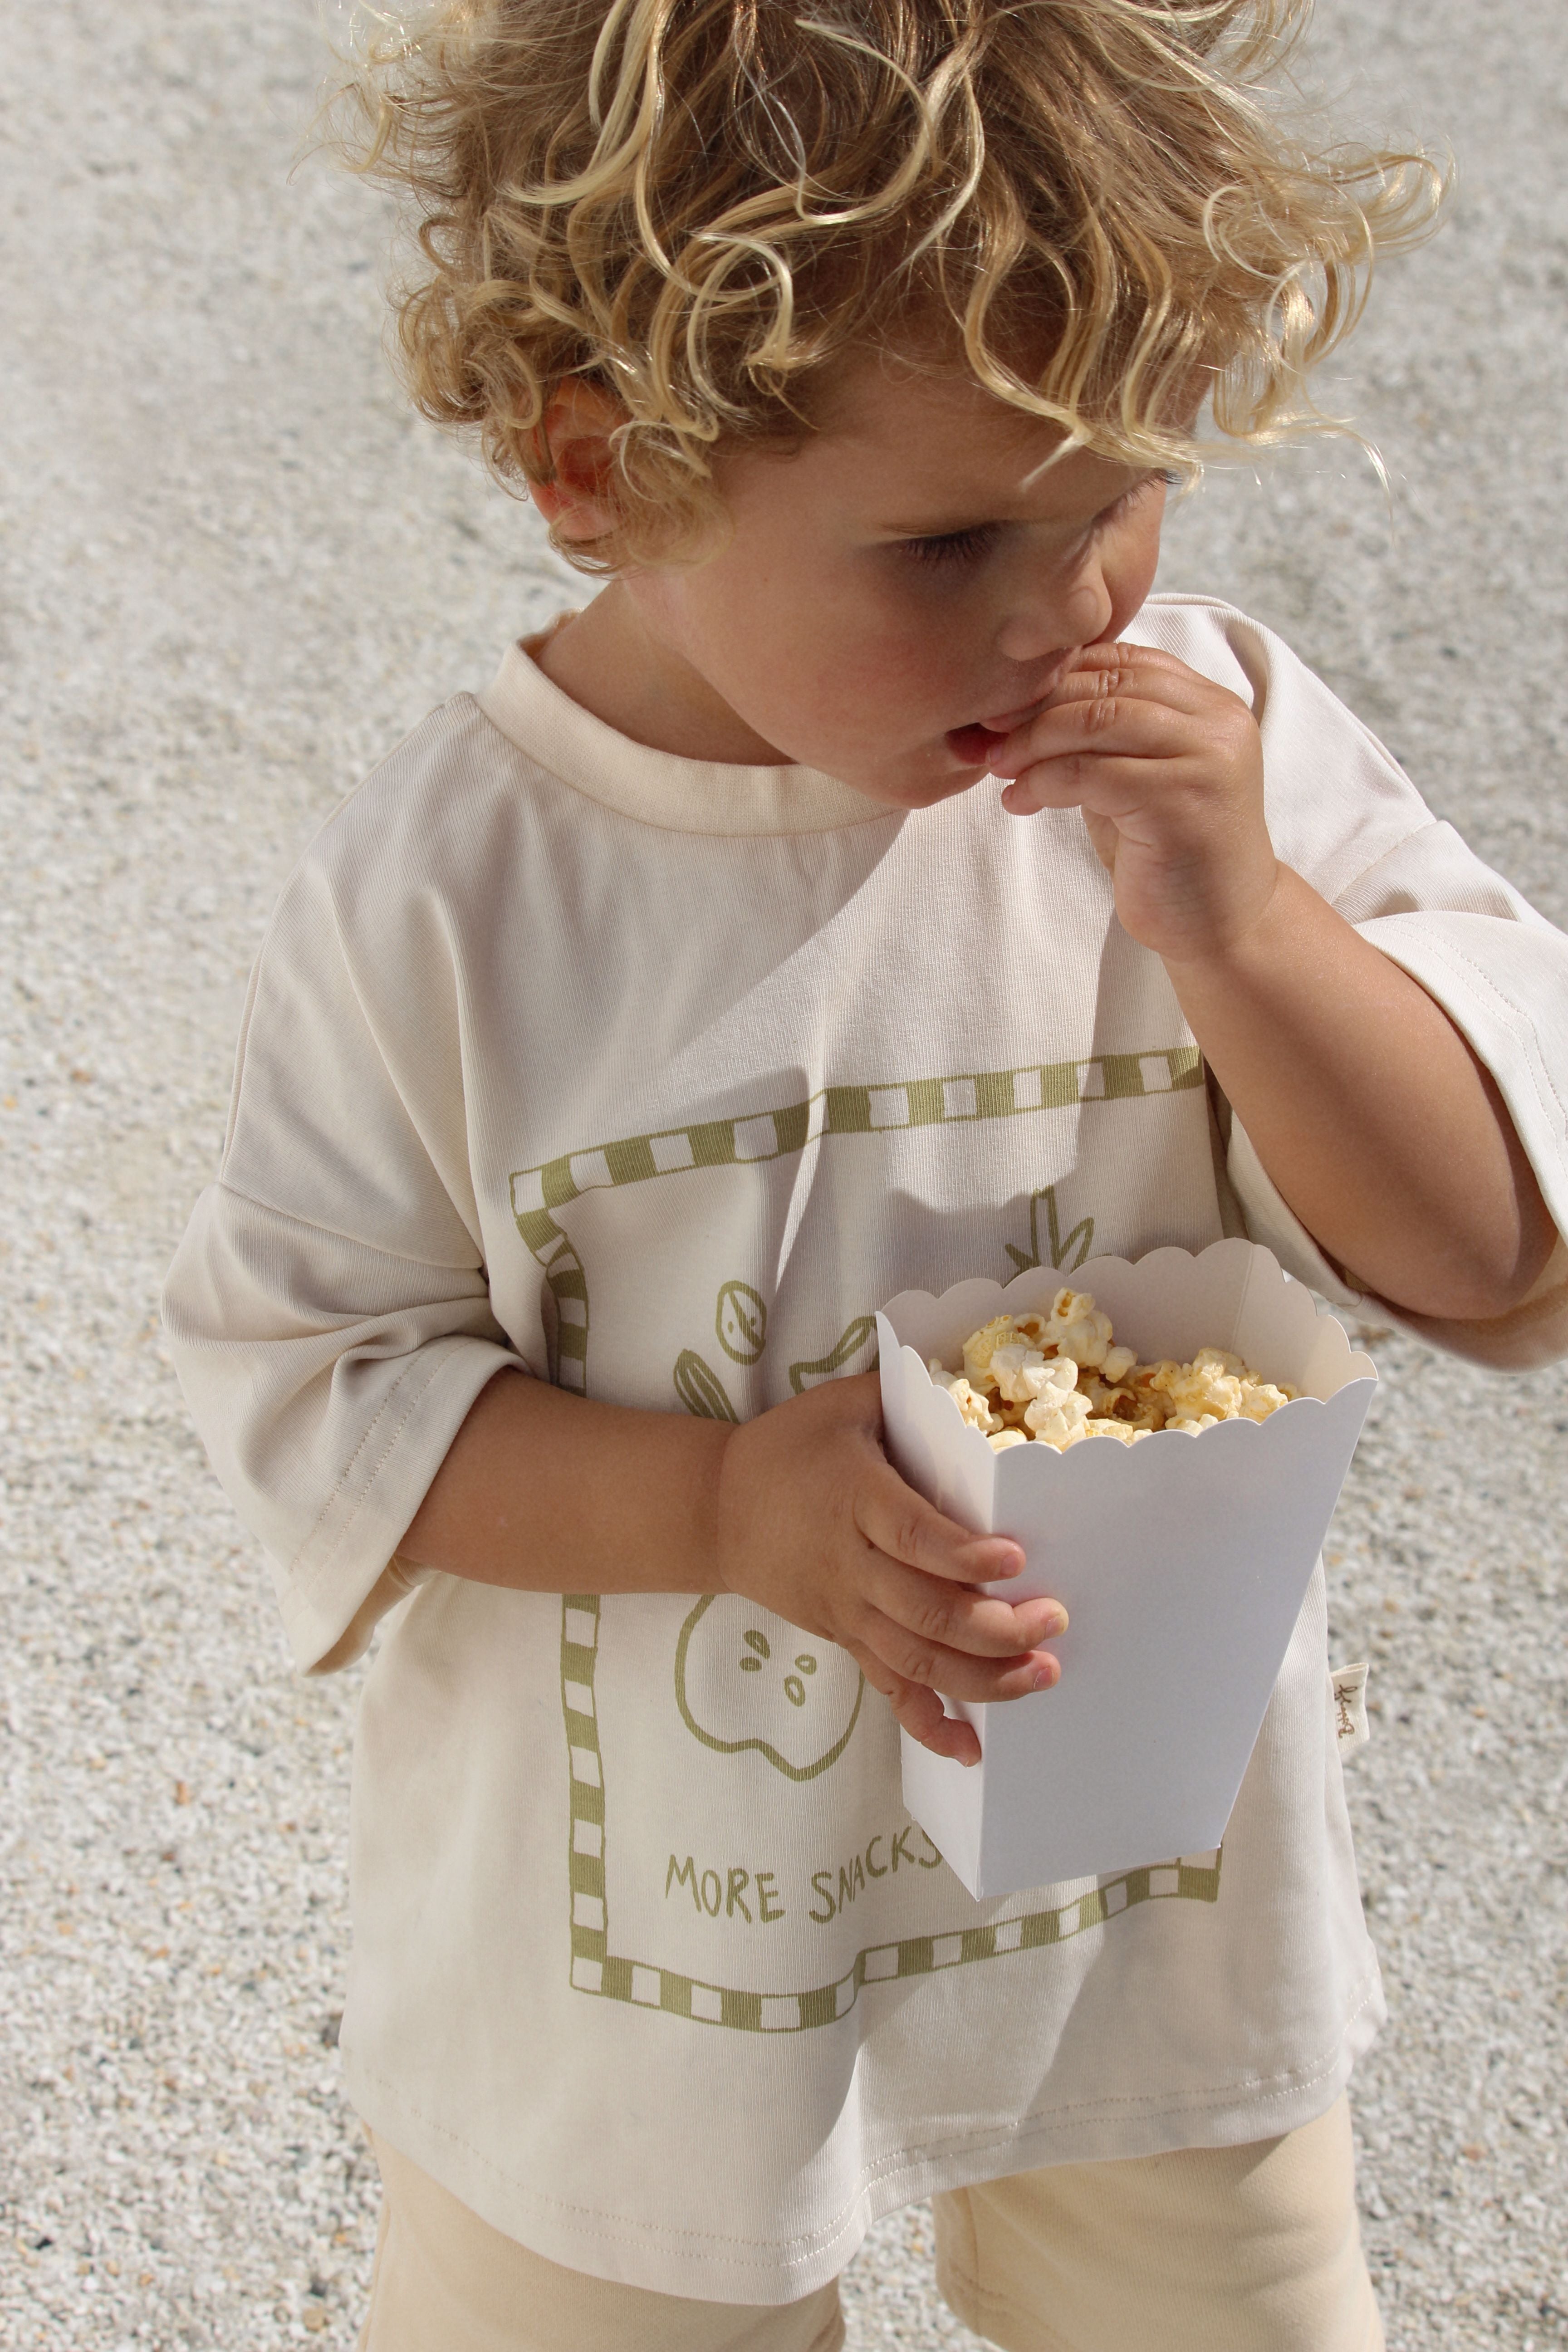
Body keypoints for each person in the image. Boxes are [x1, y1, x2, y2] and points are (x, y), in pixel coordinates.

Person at [163, 2, 1568, 2345]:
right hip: (634, 1995)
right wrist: (719, 1518)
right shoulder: (462, 897)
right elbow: (318, 1394)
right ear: (596, 469)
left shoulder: (1217, 764)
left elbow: (1501, 1249)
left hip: (1147, 1924)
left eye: (1121, 495)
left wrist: (1243, 924)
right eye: (942, 546)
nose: (1070, 615)